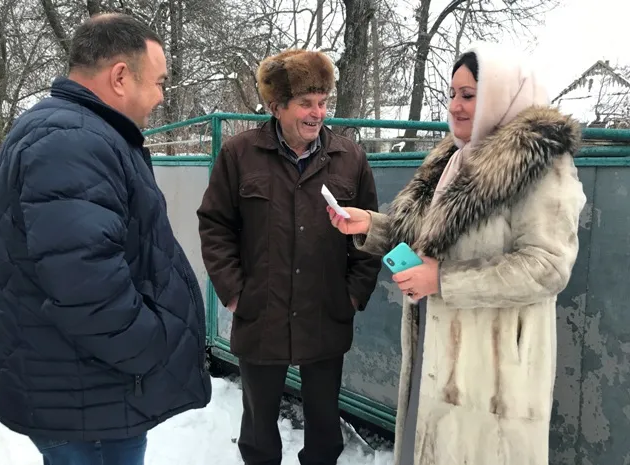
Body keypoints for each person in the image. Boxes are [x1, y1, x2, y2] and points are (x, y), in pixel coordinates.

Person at [328, 42, 586, 465]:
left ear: (501, 96)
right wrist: (369, 225)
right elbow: (425, 238)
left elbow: (547, 267)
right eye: (452, 93)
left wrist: (443, 280)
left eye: (468, 94)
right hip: (437, 354)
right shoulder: (453, 159)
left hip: (491, 374)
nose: (455, 106)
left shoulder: (542, 167)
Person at [0, 13, 211, 465]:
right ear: (120, 76)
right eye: (158, 82)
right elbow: (85, 284)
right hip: (86, 400)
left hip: (84, 389)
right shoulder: (71, 141)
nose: (161, 96)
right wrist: (152, 344)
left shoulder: (75, 131)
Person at [197, 49, 382, 465]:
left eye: (322, 102)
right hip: (261, 312)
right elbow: (215, 225)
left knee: (324, 428)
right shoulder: (240, 154)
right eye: (305, 103)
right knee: (258, 430)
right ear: (276, 105)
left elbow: (369, 233)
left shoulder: (349, 158)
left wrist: (352, 295)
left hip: (326, 313)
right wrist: (235, 293)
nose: (318, 113)